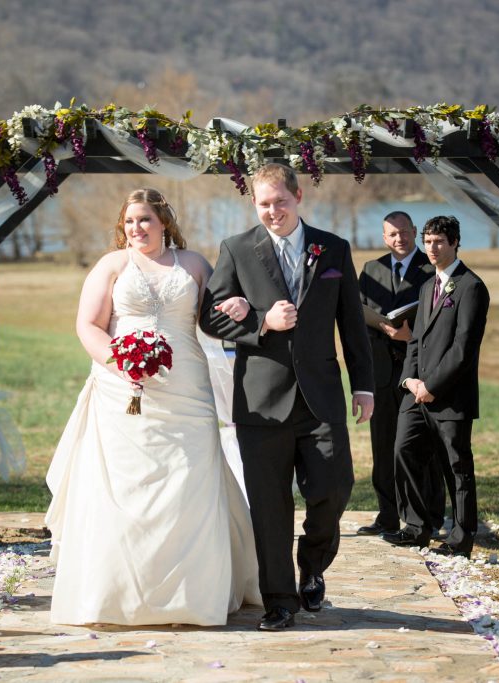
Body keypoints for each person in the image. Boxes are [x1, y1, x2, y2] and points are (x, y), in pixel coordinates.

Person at [46, 188, 259, 626]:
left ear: (164, 222)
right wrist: (121, 363)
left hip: (187, 389)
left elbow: (216, 317)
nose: (136, 229)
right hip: (124, 391)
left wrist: (238, 305)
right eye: (129, 221)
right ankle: (118, 593)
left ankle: (194, 596)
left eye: (144, 220)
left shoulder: (196, 264)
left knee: (190, 481)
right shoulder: (111, 266)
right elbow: (88, 325)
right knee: (127, 488)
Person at [200, 164, 374, 631]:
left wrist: (363, 384)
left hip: (321, 399)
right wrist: (261, 320)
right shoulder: (236, 250)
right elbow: (210, 319)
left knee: (334, 487)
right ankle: (280, 600)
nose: (272, 211)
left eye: (280, 201)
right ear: (253, 205)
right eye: (263, 203)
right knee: (270, 506)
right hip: (261, 401)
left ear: (298, 197)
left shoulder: (332, 249)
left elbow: (352, 324)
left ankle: (312, 563)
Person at [383, 215, 489, 559]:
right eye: (427, 241)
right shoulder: (428, 286)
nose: (432, 248)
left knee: (456, 467)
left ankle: (461, 538)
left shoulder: (471, 287)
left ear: (455, 242)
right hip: (417, 394)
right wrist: (410, 379)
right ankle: (416, 528)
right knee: (403, 450)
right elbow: (416, 341)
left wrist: (433, 385)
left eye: (439, 241)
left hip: (449, 396)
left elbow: (463, 348)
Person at [357, 211, 444, 537]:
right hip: (381, 372)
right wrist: (383, 325)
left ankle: (429, 517)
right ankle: (388, 517)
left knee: (423, 447)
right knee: (383, 447)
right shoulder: (371, 270)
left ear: (414, 231)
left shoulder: (431, 268)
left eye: (404, 233)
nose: (399, 239)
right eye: (392, 234)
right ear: (384, 237)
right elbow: (355, 312)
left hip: (420, 372)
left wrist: (412, 335)